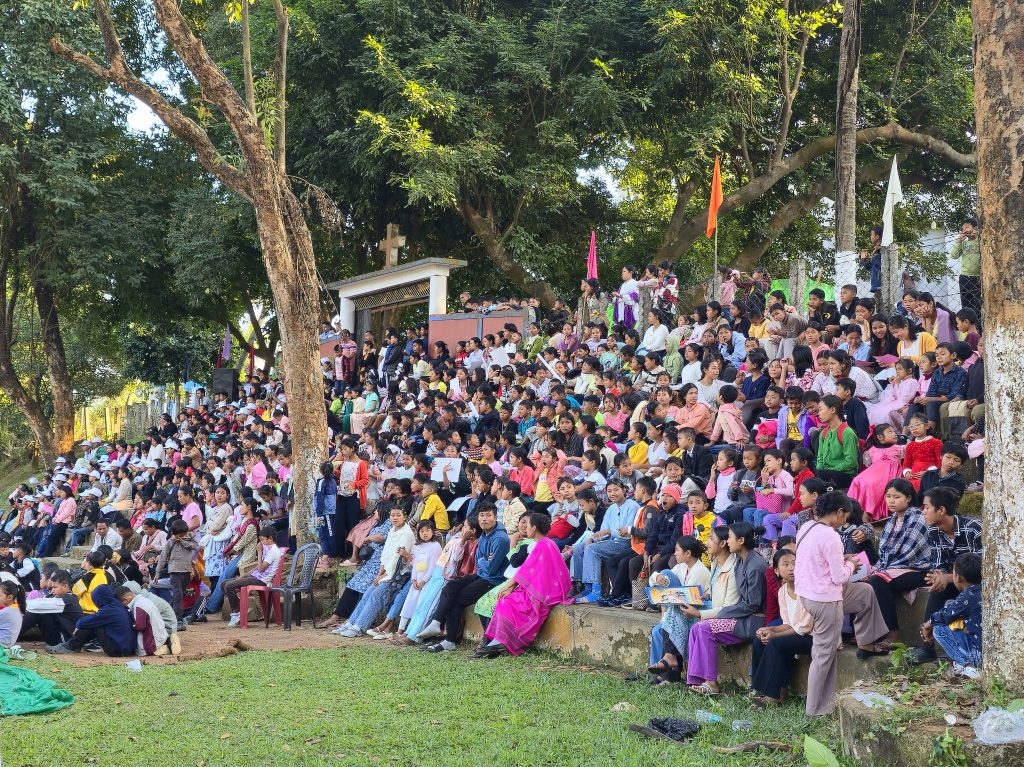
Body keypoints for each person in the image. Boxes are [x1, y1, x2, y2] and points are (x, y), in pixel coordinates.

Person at [794, 492, 890, 716]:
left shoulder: (806, 527)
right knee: (824, 655)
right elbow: (839, 577)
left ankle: (866, 642)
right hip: (825, 598)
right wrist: (851, 566)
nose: (845, 520)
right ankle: (815, 709)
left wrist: (843, 560)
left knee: (865, 592)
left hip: (809, 594)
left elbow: (818, 560)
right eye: (845, 515)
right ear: (838, 512)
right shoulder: (831, 535)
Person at [684, 522, 767, 695]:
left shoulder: (755, 565)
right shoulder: (741, 561)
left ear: (741, 541)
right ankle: (696, 680)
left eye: (730, 537)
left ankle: (712, 683)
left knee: (705, 627)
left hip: (753, 620)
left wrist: (723, 613)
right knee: (696, 627)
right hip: (741, 615)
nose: (728, 541)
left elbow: (752, 604)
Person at [476, 513, 571, 657]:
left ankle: (504, 641)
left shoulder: (543, 545)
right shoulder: (546, 543)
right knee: (505, 598)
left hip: (543, 593)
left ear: (534, 527)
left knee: (507, 601)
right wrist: (510, 587)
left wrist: (507, 586)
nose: (526, 528)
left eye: (528, 525)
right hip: (539, 588)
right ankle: (498, 641)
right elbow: (528, 571)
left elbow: (526, 570)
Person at [419, 503, 510, 652]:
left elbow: (491, 568)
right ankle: (436, 623)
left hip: (493, 580)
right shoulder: (485, 534)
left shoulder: (500, 539)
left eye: (488, 515)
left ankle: (449, 641)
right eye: (482, 515)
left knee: (457, 599)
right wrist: (485, 559)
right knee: (450, 587)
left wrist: (483, 560)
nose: (484, 519)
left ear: (495, 517)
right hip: (480, 575)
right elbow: (480, 560)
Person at [646, 535, 714, 682]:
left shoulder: (700, 571)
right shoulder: (681, 567)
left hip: (693, 614)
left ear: (687, 553)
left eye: (677, 550)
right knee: (657, 630)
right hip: (680, 610)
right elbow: (655, 580)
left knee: (667, 626)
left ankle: (667, 674)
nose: (675, 553)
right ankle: (662, 674)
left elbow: (687, 599)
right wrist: (657, 578)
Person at [750, 549, 811, 707]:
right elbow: (788, 622)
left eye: (795, 564)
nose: (792, 568)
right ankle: (760, 689)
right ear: (776, 571)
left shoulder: (807, 589)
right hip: (797, 632)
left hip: (813, 636)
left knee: (776, 643)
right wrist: (769, 630)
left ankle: (772, 695)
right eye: (786, 564)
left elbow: (805, 627)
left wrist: (775, 635)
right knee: (759, 641)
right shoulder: (783, 591)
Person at [919, 552, 982, 678]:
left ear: (958, 578)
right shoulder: (984, 590)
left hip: (978, 654)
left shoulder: (968, 596)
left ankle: (967, 665)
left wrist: (928, 624)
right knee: (950, 604)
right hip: (989, 652)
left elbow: (945, 615)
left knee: (939, 629)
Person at [46, 584, 136, 656]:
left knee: (94, 623)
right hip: (127, 649)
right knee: (94, 621)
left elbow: (85, 621)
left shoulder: (109, 609)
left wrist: (78, 625)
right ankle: (73, 645)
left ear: (99, 599)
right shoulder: (118, 606)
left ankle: (71, 646)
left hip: (117, 651)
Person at [224, 525, 283, 628]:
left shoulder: (273, 551)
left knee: (229, 586)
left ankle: (237, 612)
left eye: (263, 540)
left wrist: (259, 552)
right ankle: (241, 608)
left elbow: (261, 569)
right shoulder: (268, 548)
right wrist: (244, 575)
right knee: (223, 584)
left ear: (270, 538)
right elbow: (257, 568)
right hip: (255, 577)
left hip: (262, 580)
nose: (261, 542)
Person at [847, 424, 904, 522]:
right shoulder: (871, 451)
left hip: (890, 475)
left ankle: (867, 515)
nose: (894, 434)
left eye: (894, 431)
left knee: (872, 485)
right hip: (875, 474)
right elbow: (870, 468)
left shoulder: (899, 448)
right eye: (890, 432)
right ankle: (855, 512)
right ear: (880, 437)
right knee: (858, 480)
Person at [155, 518, 199, 626]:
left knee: (179, 595)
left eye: (182, 534)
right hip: (174, 570)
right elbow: (163, 556)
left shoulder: (191, 537)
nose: (179, 536)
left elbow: (195, 546)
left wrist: (182, 541)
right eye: (177, 535)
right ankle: (177, 618)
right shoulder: (170, 541)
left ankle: (166, 613)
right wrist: (157, 572)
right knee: (178, 594)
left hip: (187, 570)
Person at [952, 218, 981, 312]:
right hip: (964, 277)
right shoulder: (964, 242)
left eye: (967, 227)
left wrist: (978, 235)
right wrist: (959, 241)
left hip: (977, 277)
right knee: (966, 304)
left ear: (975, 228)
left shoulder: (980, 240)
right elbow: (954, 255)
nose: (964, 230)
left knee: (978, 305)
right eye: (963, 228)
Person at [0, 579, 25, 648]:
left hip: (2, 646)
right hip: (8, 644)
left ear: (9, 597)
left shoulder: (6, 612)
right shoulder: (16, 609)